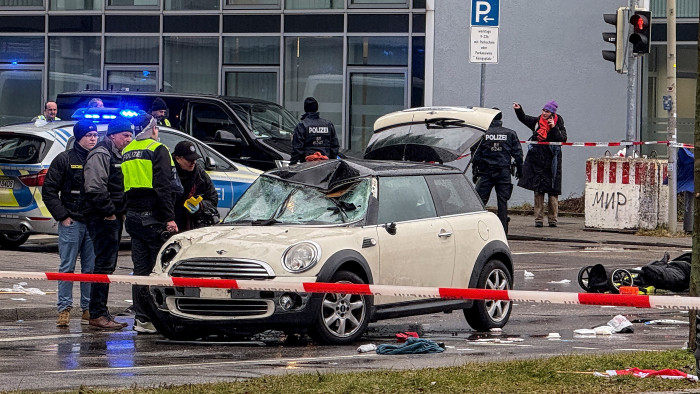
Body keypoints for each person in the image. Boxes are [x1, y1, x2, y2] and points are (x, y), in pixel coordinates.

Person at [122, 114, 178, 334]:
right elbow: (163, 186)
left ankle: (142, 318)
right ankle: (159, 317)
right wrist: (169, 218)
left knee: (140, 270)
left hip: (134, 216)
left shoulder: (127, 151)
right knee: (159, 270)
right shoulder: (158, 149)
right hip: (153, 216)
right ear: (153, 128)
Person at [42, 120, 98, 328]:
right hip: (72, 222)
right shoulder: (64, 159)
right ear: (79, 137)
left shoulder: (99, 157)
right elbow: (49, 191)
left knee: (90, 269)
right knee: (67, 267)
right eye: (89, 135)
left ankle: (88, 309)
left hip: (92, 222)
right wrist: (62, 216)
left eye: (95, 135)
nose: (93, 138)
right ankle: (64, 310)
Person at [83, 116, 134, 330]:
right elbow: (95, 187)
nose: (128, 140)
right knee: (103, 265)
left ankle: (100, 312)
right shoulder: (102, 153)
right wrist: (110, 212)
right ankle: (97, 313)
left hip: (110, 216)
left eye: (131, 135)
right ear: (113, 135)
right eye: (125, 135)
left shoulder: (116, 154)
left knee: (106, 265)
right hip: (102, 217)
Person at [513, 100, 567, 228]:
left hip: (552, 162)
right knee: (538, 190)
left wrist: (553, 128)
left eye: (547, 111)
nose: (544, 113)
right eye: (543, 110)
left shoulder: (559, 123)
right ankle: (538, 219)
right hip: (537, 160)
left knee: (553, 191)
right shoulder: (537, 122)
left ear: (552, 113)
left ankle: (553, 219)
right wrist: (518, 109)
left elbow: (562, 139)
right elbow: (524, 118)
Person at [472, 109, 523, 235]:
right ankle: (503, 232)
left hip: (486, 173)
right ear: (501, 119)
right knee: (502, 203)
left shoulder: (482, 134)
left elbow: (475, 155)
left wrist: (475, 172)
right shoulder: (510, 133)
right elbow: (518, 155)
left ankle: (477, 230)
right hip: (503, 173)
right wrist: (520, 171)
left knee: (479, 202)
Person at [172, 141, 219, 232]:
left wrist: (200, 205)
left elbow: (213, 198)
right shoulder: (167, 171)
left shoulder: (199, 173)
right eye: (189, 160)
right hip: (171, 222)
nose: (193, 162)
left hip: (192, 224)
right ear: (178, 158)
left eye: (195, 159)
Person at [290, 97, 339, 165]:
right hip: (325, 164)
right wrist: (331, 161)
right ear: (317, 108)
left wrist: (292, 164)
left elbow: (297, 148)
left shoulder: (302, 125)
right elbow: (334, 146)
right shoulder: (328, 124)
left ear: (305, 109)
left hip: (308, 165)